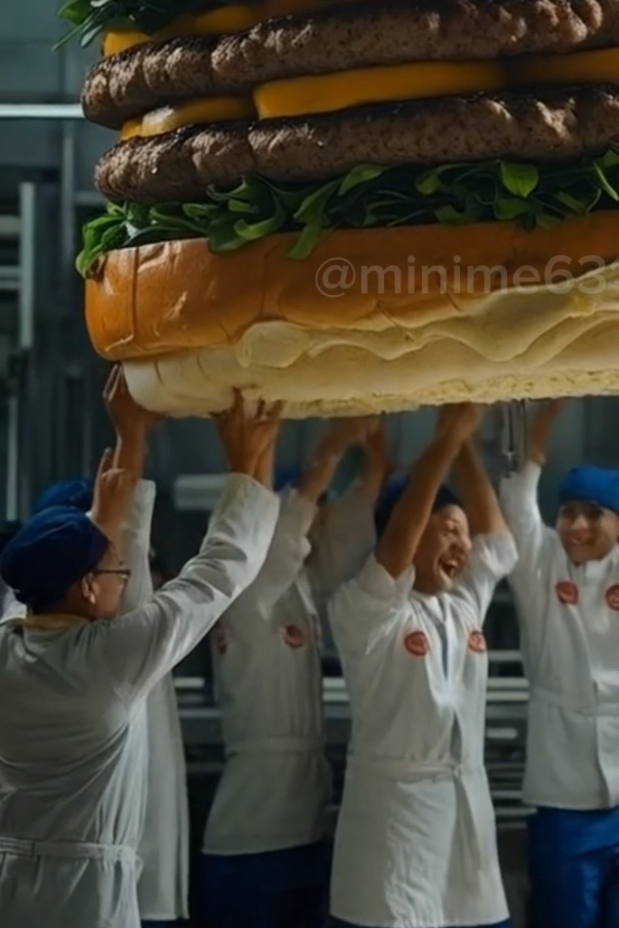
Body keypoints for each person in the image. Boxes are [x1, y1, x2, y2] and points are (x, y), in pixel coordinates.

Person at [0, 388, 283, 928]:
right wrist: (245, 464)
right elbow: (218, 571)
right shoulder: (109, 662)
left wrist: (131, 443)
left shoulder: (9, 645)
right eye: (117, 573)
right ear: (86, 587)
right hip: (86, 899)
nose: (127, 581)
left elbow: (95, 561)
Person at [499, 397, 619, 928]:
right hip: (564, 804)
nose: (578, 526)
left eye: (593, 514)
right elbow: (516, 499)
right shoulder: (540, 567)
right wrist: (550, 409)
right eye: (568, 513)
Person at [327, 403, 517, 928]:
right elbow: (395, 546)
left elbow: (499, 544)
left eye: (462, 531)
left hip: (464, 815)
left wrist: (465, 447)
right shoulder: (365, 611)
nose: (462, 543)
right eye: (447, 530)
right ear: (409, 537)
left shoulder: (462, 606)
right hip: (395, 824)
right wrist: (443, 445)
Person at [202, 416, 386, 928]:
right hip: (252, 837)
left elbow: (345, 527)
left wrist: (374, 462)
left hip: (303, 824)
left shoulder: (301, 588)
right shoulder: (245, 589)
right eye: (304, 517)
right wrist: (331, 445)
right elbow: (291, 520)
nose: (316, 526)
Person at [30, 372, 190, 928]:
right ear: (83, 577)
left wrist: (133, 435)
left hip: (116, 869)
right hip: (90, 877)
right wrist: (133, 434)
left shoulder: (42, 627)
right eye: (111, 556)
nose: (125, 569)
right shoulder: (96, 638)